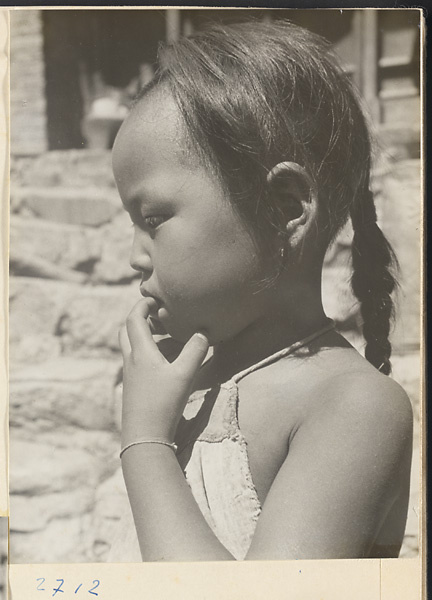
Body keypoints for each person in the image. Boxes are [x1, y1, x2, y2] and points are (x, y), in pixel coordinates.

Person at [108, 20, 413, 562]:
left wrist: (146, 444)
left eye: (153, 218)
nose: (134, 256)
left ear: (285, 209)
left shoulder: (352, 406)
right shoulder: (182, 380)